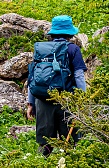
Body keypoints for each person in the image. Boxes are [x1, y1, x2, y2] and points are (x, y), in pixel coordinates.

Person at [25, 15, 87, 156]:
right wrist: (82, 100)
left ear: (53, 32)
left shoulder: (41, 49)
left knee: (45, 142)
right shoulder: (73, 49)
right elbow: (79, 77)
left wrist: (30, 103)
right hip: (66, 101)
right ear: (70, 33)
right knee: (71, 141)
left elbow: (32, 77)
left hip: (42, 101)